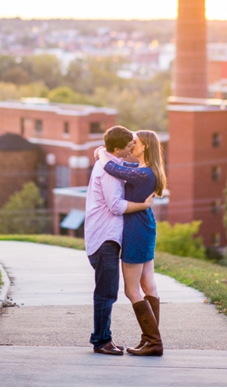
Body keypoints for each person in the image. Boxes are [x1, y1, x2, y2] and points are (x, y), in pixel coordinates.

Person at [84, 125, 154, 356]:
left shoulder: (112, 163)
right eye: (128, 145)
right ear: (117, 148)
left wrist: (101, 152)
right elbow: (116, 206)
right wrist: (143, 205)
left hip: (107, 237)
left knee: (108, 291)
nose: (132, 146)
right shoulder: (108, 172)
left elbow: (130, 167)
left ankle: (104, 339)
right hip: (104, 238)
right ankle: (101, 341)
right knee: (106, 292)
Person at [98, 129, 167, 356]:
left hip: (136, 230)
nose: (131, 144)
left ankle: (153, 342)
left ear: (144, 146)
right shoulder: (144, 170)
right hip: (145, 226)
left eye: (134, 142)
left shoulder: (144, 174)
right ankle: (150, 340)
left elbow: (111, 168)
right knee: (149, 285)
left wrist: (102, 152)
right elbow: (122, 168)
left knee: (131, 289)